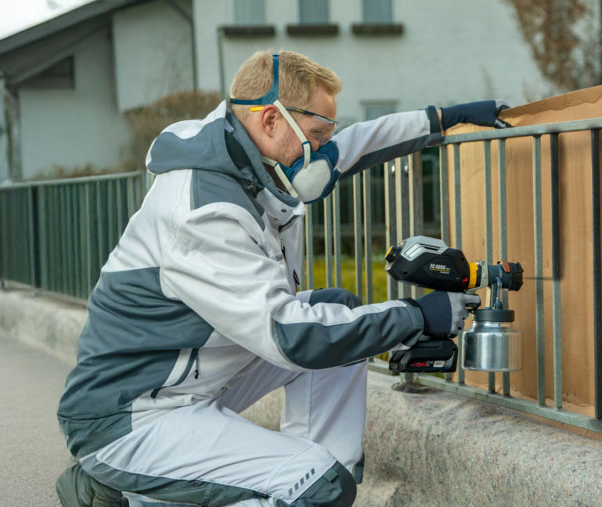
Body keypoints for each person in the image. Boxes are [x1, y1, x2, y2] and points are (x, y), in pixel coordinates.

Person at [54, 49, 509, 507]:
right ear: (271, 120)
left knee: (340, 316)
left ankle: (137, 494)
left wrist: (443, 120)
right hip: (131, 414)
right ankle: (125, 491)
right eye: (317, 135)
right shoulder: (205, 211)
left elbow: (354, 147)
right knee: (314, 485)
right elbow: (288, 334)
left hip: (191, 376)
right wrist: (412, 316)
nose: (324, 151)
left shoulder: (254, 161)